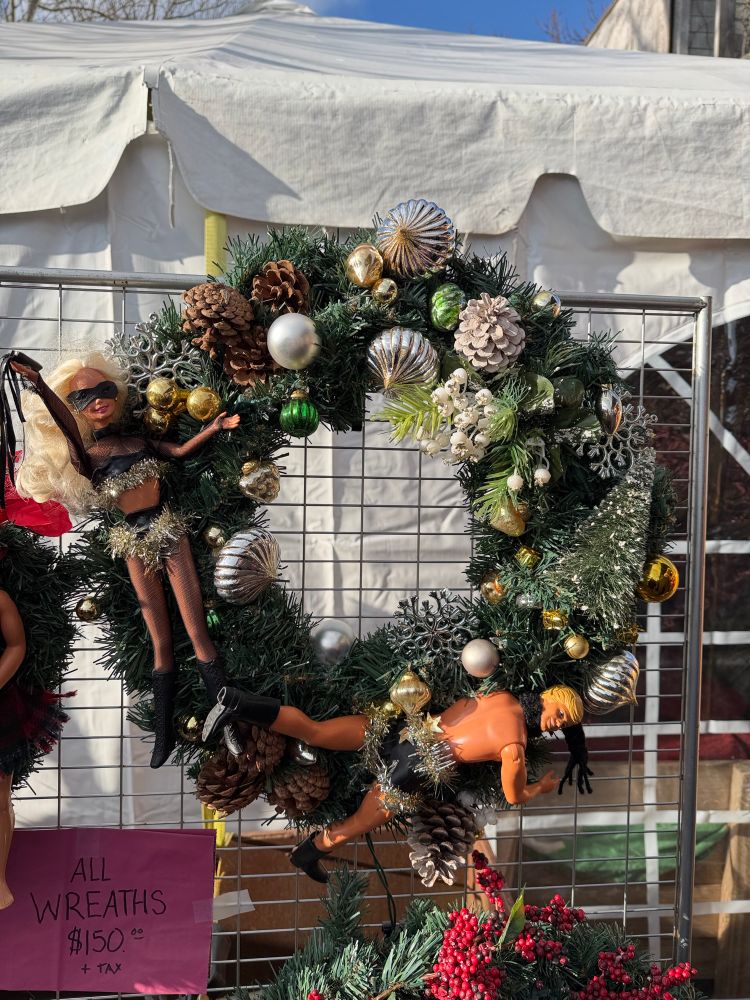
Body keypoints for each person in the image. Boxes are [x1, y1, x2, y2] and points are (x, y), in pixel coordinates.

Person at [3, 351, 242, 768]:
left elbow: (181, 450)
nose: (97, 400)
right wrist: (39, 384)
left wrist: (215, 427)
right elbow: (63, 421)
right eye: (83, 398)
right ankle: (164, 734)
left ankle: (231, 723)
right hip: (132, 540)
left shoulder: (140, 440)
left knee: (198, 630)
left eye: (103, 389)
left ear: (118, 390)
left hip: (169, 531)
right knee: (161, 641)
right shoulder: (87, 456)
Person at [202, 682, 592, 882]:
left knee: (316, 731)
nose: (557, 724)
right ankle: (306, 854)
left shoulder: (500, 694)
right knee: (356, 823)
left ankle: (237, 702)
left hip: (402, 729)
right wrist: (534, 789)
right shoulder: (515, 744)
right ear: (548, 697)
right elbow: (511, 793)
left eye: (564, 724)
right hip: (417, 767)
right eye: (560, 714)